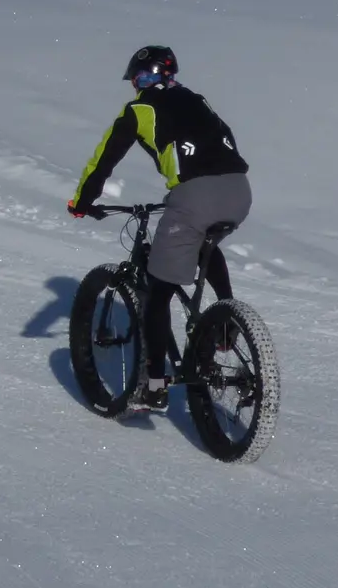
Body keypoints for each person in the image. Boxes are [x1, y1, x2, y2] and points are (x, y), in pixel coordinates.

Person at [67, 45, 250, 411]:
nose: (140, 85)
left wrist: (83, 202)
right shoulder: (197, 99)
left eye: (141, 78)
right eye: (139, 80)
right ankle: (228, 321)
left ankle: (153, 386)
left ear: (150, 78)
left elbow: (104, 158)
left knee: (157, 291)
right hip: (239, 190)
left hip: (195, 194)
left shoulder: (138, 110)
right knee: (204, 243)